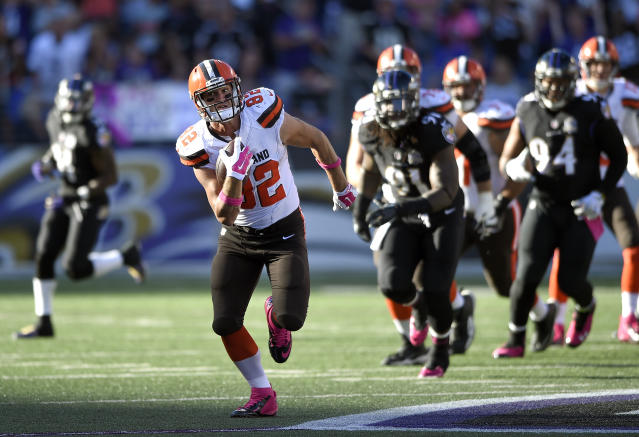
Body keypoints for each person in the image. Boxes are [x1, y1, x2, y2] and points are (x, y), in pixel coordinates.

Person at [175, 59, 355, 417]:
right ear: (199, 103)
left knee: (292, 318)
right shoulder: (197, 144)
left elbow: (317, 139)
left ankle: (274, 315)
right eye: (214, 94)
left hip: (283, 229)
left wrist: (341, 185)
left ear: (238, 87)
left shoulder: (263, 113)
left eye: (227, 89)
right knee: (225, 321)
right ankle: (262, 392)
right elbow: (223, 213)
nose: (224, 98)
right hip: (238, 235)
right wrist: (235, 175)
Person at [346, 44, 485, 364]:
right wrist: (371, 196)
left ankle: (455, 310)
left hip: (433, 198)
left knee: (430, 276)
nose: (398, 82)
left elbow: (466, 149)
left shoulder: (434, 106)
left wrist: (484, 199)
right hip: (391, 195)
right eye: (391, 76)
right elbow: (358, 163)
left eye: (406, 75)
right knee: (390, 273)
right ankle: (411, 340)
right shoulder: (367, 111)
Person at [493, 49, 627, 358]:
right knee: (525, 276)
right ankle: (516, 338)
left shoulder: (591, 108)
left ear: (572, 81)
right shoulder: (527, 108)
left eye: (560, 82)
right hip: (543, 202)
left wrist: (601, 194)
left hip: (582, 206)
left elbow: (618, 156)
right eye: (548, 82)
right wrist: (513, 167)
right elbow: (506, 161)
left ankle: (586, 306)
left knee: (570, 279)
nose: (553, 88)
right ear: (538, 81)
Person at [14, 74, 145, 339]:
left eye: (76, 101)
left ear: (87, 103)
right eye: (67, 101)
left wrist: (77, 195)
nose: (71, 106)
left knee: (76, 268)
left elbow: (110, 177)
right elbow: (58, 148)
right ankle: (44, 323)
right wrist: (48, 162)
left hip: (90, 199)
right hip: (66, 193)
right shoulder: (54, 118)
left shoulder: (93, 131)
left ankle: (126, 256)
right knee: (44, 255)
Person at [442, 56, 554, 353]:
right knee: (436, 271)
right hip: (456, 210)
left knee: (505, 284)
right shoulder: (438, 116)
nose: (462, 93)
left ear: (480, 87)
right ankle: (460, 314)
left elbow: (522, 165)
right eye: (455, 86)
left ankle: (543, 315)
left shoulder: (493, 118)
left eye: (467, 86)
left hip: (494, 209)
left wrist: (502, 203)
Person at [546, 36, 639, 345]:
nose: (599, 70)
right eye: (594, 64)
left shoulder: (626, 94)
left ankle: (629, 317)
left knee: (634, 246)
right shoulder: (571, 93)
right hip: (576, 184)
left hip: (609, 184)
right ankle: (557, 320)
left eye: (605, 64)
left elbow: (633, 141)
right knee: (563, 255)